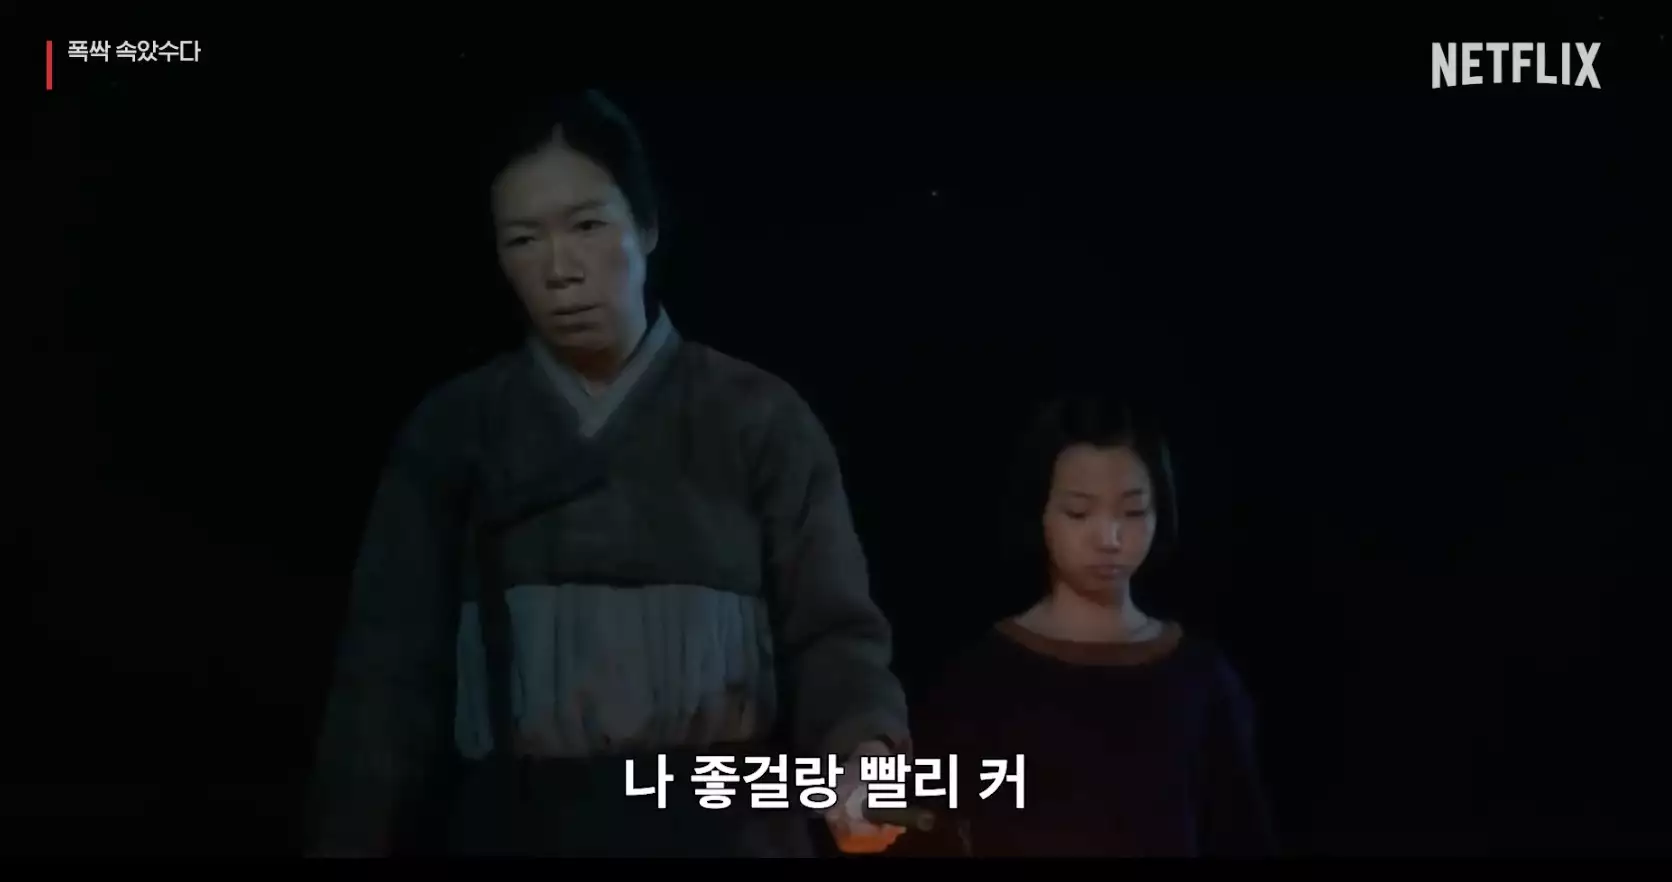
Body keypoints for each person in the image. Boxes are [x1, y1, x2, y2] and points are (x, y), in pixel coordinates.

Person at [304, 89, 910, 857]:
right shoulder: (457, 431)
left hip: (730, 833)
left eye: (587, 226)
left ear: (646, 227)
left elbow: (833, 635)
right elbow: (384, 685)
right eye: (523, 240)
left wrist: (865, 756)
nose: (560, 269)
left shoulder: (759, 419)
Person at [904, 395, 1274, 856]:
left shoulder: (1202, 681)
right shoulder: (980, 682)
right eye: (1079, 512)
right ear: (1040, 513)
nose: (1109, 538)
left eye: (1133, 512)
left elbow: (1242, 838)